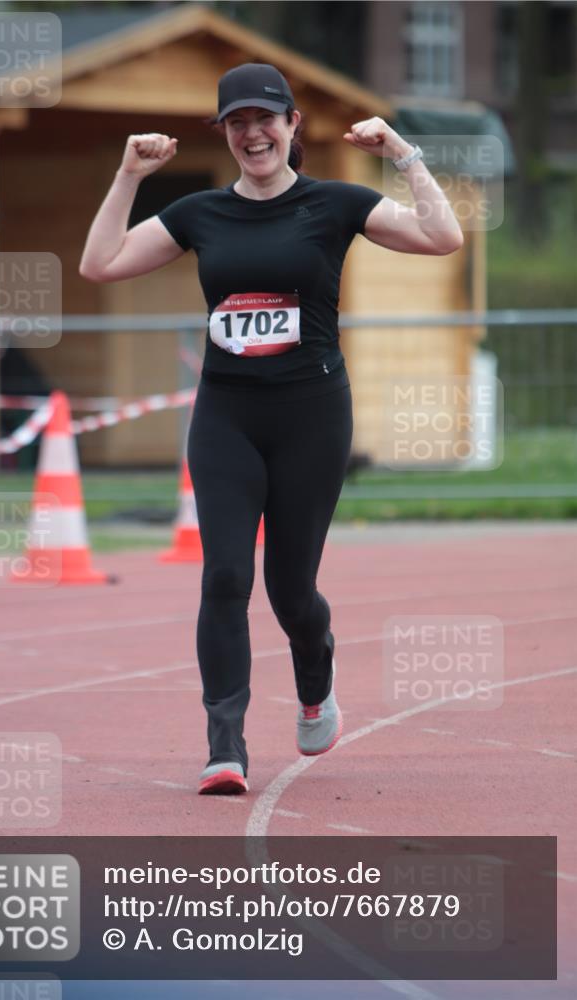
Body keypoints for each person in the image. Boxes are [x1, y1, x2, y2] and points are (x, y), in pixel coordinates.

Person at [80, 63, 463, 796]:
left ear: (291, 125)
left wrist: (402, 154)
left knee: (291, 591)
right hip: (225, 414)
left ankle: (315, 686)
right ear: (225, 134)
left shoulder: (337, 203)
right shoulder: (199, 214)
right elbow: (98, 264)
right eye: (235, 123)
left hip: (311, 416)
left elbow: (440, 238)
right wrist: (127, 175)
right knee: (224, 573)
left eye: (264, 119)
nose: (251, 133)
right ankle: (224, 745)